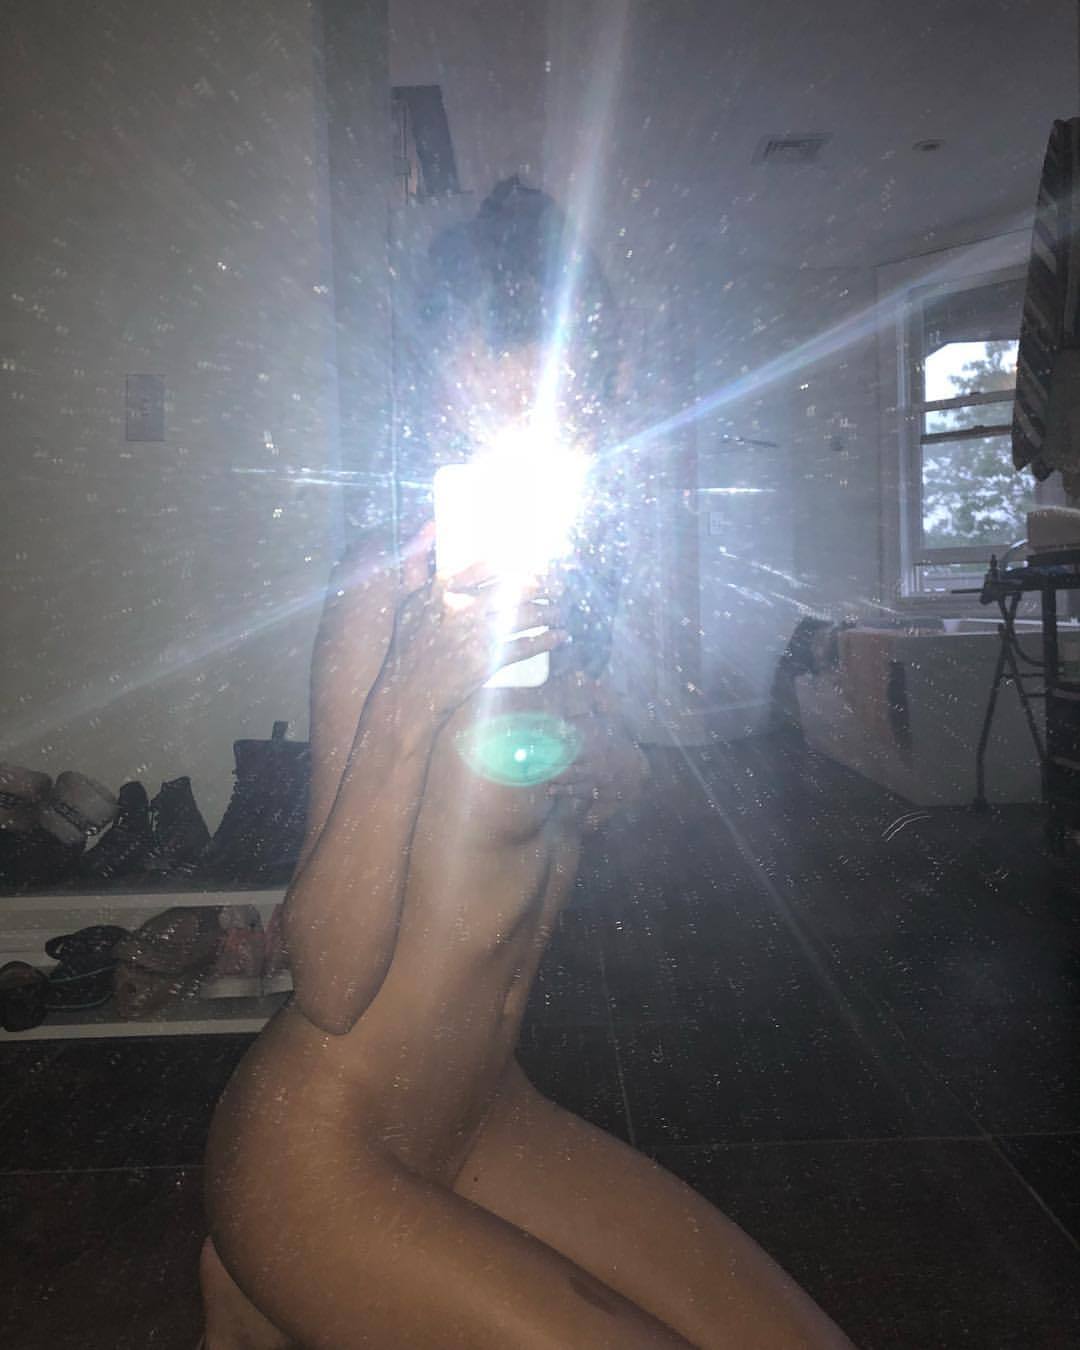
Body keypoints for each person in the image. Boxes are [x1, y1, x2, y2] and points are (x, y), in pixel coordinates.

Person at [199, 181, 854, 1349]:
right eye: (477, 434)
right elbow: (330, 984)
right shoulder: (391, 596)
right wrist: (406, 705)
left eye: (547, 430)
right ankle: (275, 1275)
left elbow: (507, 854)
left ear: (598, 407)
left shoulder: (568, 607)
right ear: (434, 422)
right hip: (325, 1149)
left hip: (491, 1120)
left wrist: (609, 778)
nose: (512, 464)